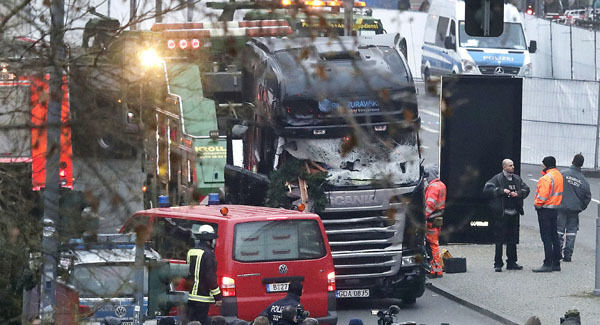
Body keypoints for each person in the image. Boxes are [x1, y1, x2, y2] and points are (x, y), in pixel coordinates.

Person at [483, 159, 530, 272]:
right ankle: (498, 263)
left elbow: (526, 189)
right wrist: (501, 191)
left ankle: (512, 262)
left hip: (514, 213)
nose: (513, 167)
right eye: (510, 165)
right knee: (499, 239)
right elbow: (487, 189)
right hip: (502, 214)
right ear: (504, 167)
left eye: (513, 165)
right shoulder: (498, 178)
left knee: (512, 239)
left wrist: (518, 193)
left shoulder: (517, 179)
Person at [557, 153, 591, 262]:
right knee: (572, 232)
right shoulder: (583, 180)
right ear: (582, 164)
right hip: (574, 209)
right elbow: (587, 196)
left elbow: (554, 187)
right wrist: (580, 207)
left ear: (572, 161)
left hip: (561, 206)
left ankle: (557, 253)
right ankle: (568, 255)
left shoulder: (562, 174)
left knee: (559, 231)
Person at [186, 224, 223, 324]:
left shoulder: (191, 252)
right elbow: (210, 277)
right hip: (202, 298)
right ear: (210, 240)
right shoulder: (208, 254)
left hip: (190, 296)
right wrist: (218, 297)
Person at [533, 156, 564, 272]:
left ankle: (547, 263)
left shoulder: (546, 178)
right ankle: (556, 263)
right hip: (555, 208)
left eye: (543, 164)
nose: (542, 166)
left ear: (546, 164)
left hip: (545, 209)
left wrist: (537, 204)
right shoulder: (558, 175)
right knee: (554, 236)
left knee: (546, 237)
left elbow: (542, 195)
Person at [424, 164, 446, 278]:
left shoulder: (433, 187)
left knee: (432, 245)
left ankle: (435, 270)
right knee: (435, 243)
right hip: (438, 218)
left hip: (431, 219)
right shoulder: (441, 185)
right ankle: (438, 269)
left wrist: (423, 216)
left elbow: (430, 204)